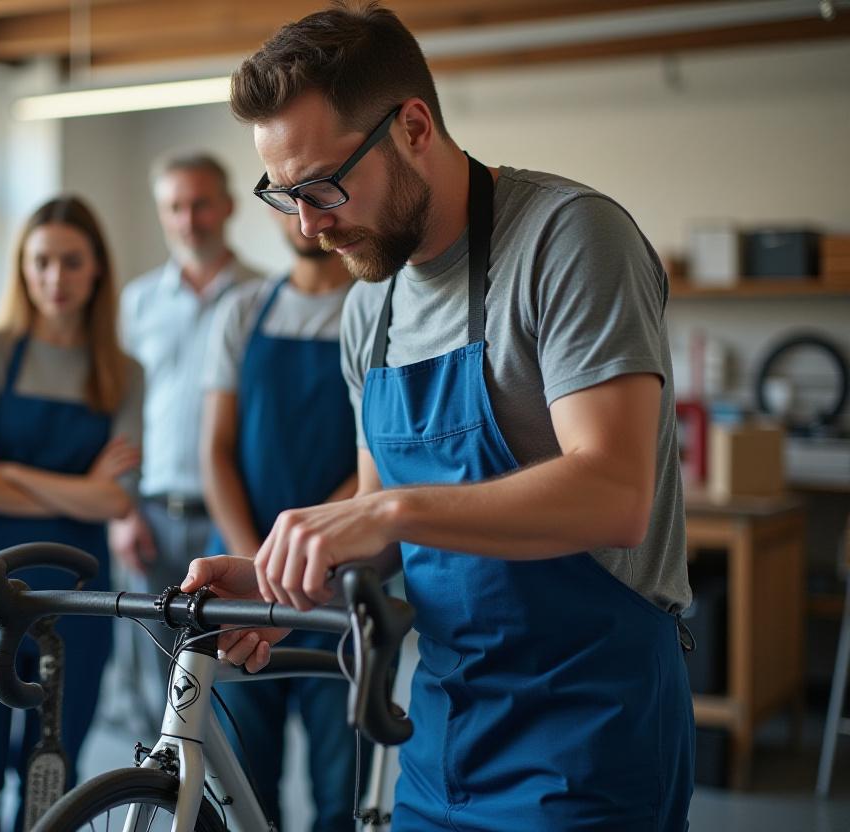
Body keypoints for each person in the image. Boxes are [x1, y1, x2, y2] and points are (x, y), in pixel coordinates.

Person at [184, 4, 695, 831]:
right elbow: (385, 531)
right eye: (285, 197)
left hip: (590, 735)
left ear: (413, 126)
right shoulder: (369, 309)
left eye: (323, 186)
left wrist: (387, 507)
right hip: (442, 733)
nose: (310, 227)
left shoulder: (568, 241)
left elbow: (616, 492)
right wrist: (280, 579)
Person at [0, 195, 143, 832]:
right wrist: (75, 483)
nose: (55, 278)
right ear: (22, 268)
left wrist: (14, 472)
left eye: (71, 263)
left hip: (77, 601)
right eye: (41, 262)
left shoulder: (123, 373)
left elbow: (116, 498)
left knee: (52, 779)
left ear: (97, 269)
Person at [201, 210, 361, 830]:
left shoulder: (375, 310)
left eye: (316, 192)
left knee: (339, 791)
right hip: (240, 593)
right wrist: (257, 569)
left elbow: (377, 462)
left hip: (337, 588)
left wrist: (306, 552)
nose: (303, 214)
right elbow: (215, 451)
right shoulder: (243, 310)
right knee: (242, 784)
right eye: (286, 198)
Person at [110, 152, 263, 722]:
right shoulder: (138, 302)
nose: (188, 219)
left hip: (229, 517)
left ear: (227, 206)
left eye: (200, 203)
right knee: (157, 681)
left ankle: (229, 805)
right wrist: (120, 512)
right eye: (174, 206)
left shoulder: (260, 296)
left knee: (232, 680)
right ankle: (170, 805)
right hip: (150, 515)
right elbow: (121, 415)